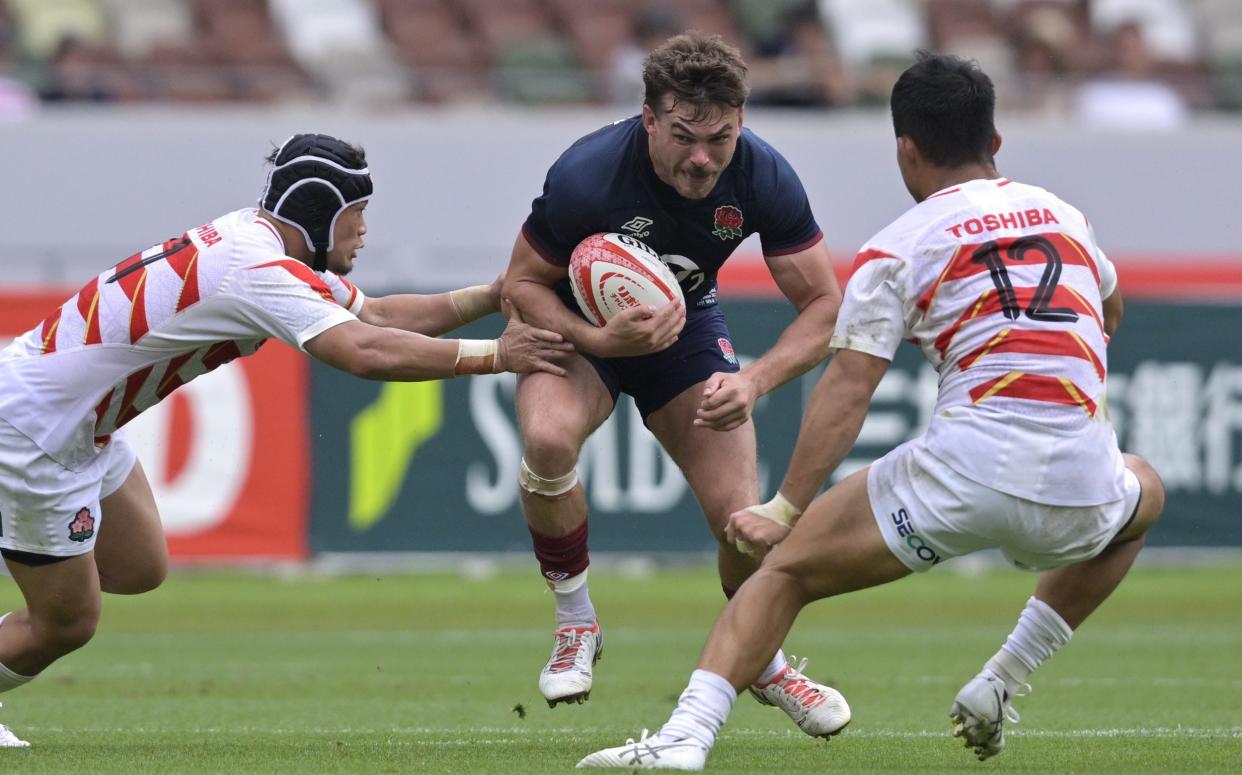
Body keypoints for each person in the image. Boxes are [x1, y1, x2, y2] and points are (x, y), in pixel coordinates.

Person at [577, 51, 1166, 770]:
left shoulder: (902, 243)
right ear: (997, 144)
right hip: (1081, 483)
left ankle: (684, 737)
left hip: (963, 478)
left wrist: (786, 508)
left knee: (781, 574)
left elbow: (849, 387)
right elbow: (1108, 307)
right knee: (1146, 493)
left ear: (905, 151)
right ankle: (1001, 680)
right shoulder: (1066, 217)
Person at [0, 132, 573, 747]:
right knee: (67, 622)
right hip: (36, 433)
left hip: (76, 423)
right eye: (358, 214)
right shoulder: (256, 268)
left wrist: (492, 296)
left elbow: (375, 316)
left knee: (138, 567)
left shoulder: (254, 239)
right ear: (323, 208)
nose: (363, 231)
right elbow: (363, 352)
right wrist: (498, 355)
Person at [501, 31, 848, 737]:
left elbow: (826, 307)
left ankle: (766, 664)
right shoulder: (589, 173)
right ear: (650, 119)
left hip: (685, 329)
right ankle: (576, 623)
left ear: (742, 122)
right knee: (546, 436)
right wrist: (599, 338)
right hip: (581, 326)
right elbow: (521, 285)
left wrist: (754, 380)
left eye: (719, 139)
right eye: (684, 136)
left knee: (743, 523)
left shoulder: (763, 175)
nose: (701, 157)